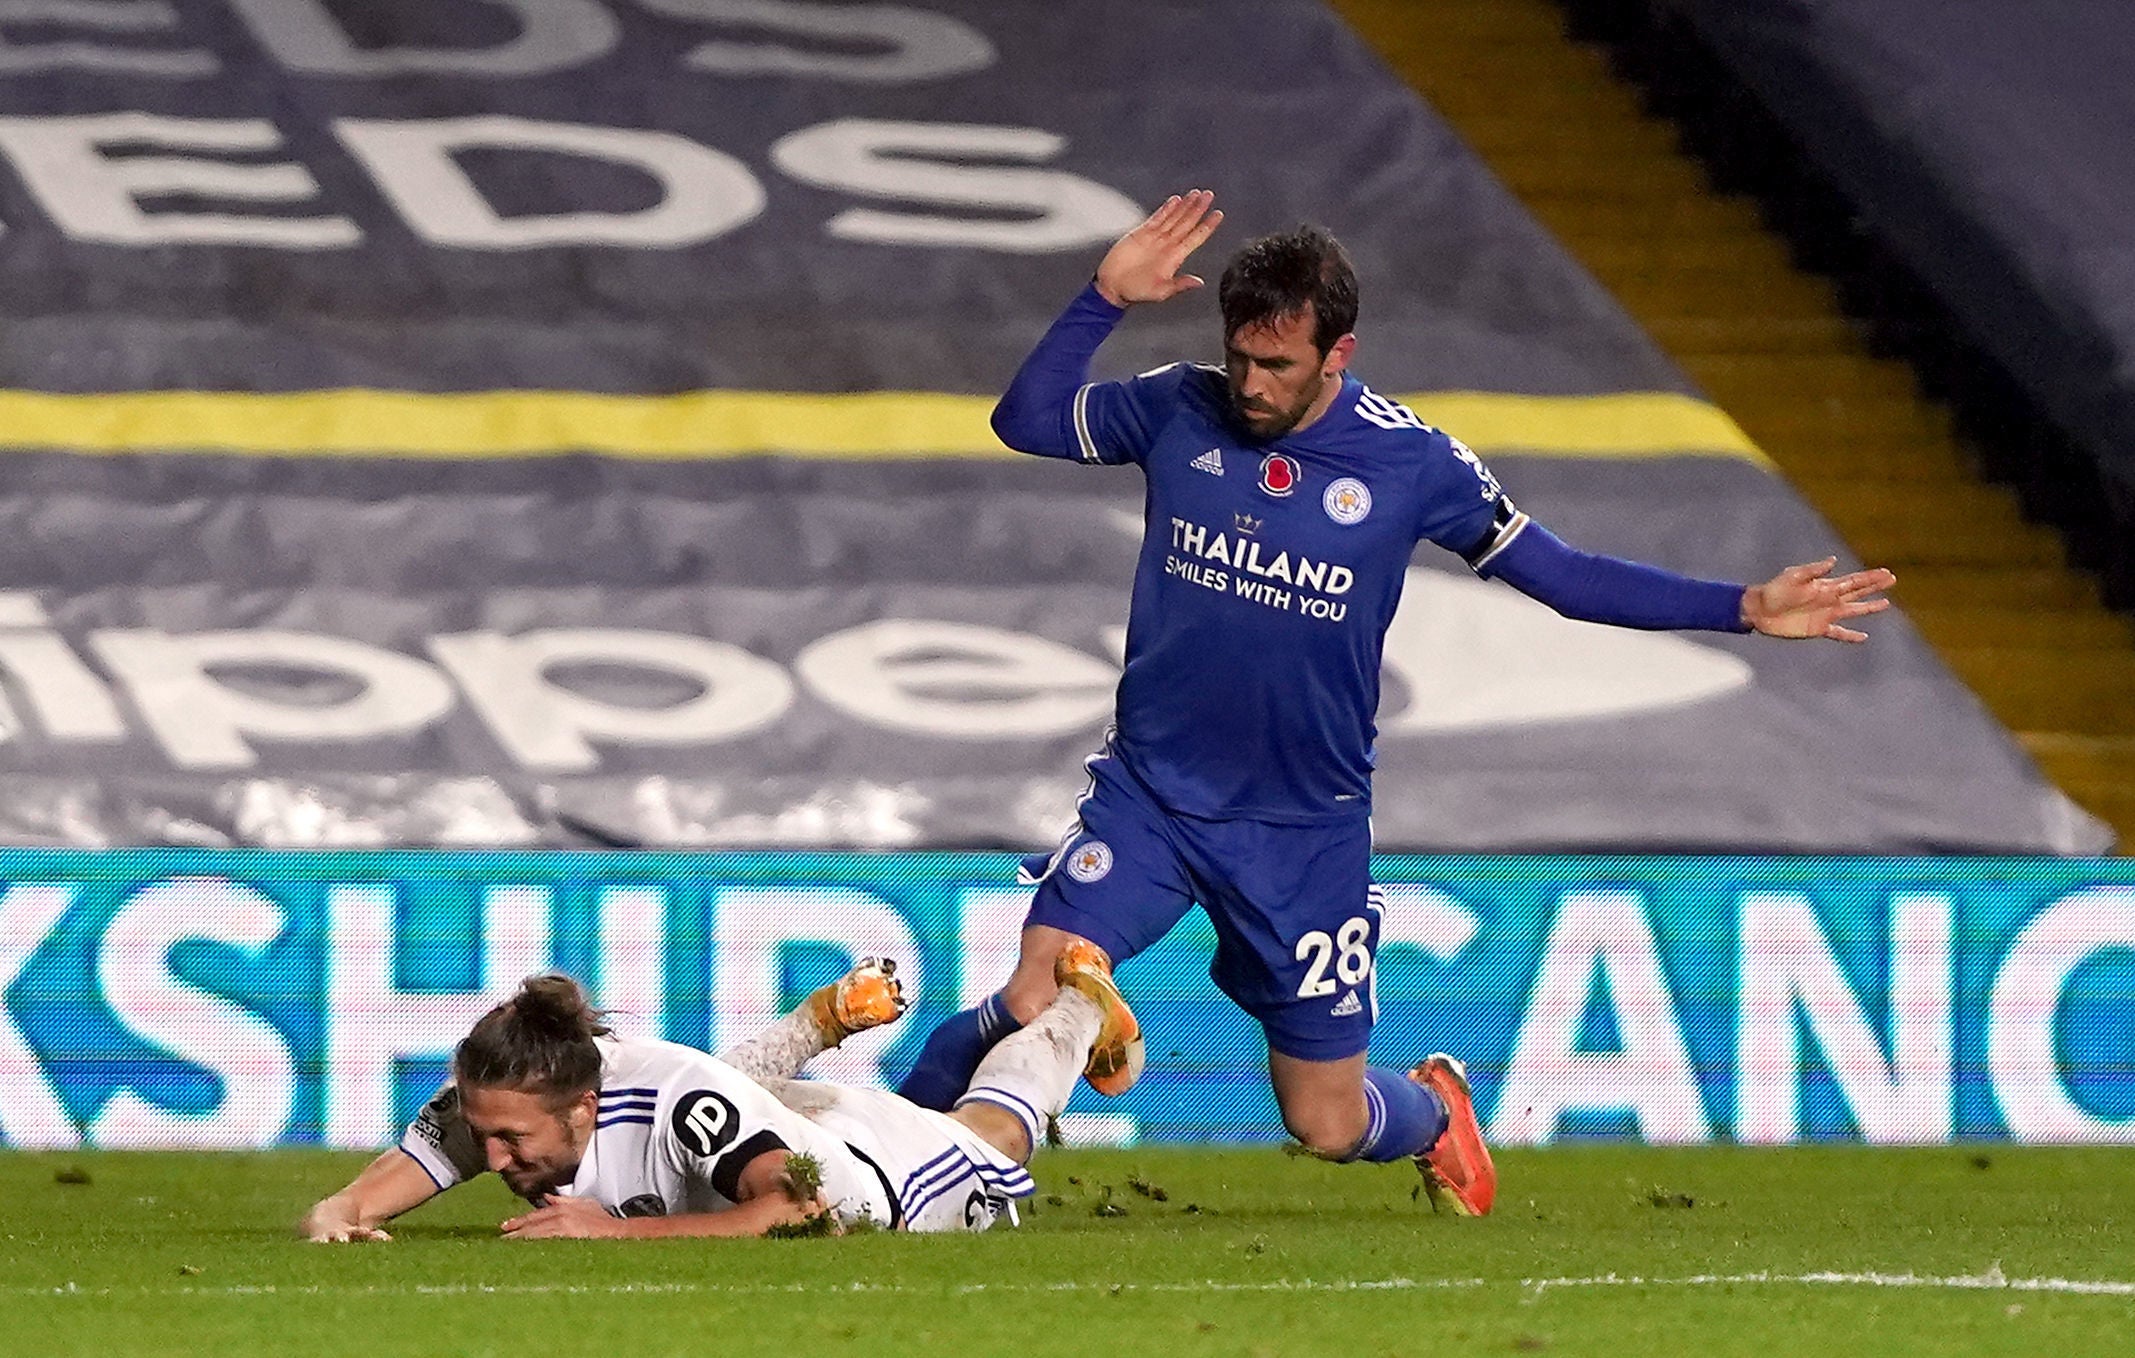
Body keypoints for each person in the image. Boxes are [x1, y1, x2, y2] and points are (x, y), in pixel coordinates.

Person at [894, 189, 1898, 1216]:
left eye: (1275, 365)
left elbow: (1561, 575)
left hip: (1301, 832)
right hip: (1150, 795)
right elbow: (1022, 420)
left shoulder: (1413, 462)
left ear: (1338, 352)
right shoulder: (1172, 405)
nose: (1248, 383)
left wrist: (1737, 606)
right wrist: (1103, 296)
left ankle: (1428, 1111)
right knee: (1035, 992)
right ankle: (879, 1172)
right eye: (1238, 357)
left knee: (1324, 1120)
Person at [299, 947, 1138, 1240]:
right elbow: (371, 1192)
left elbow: (795, 1211)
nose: (490, 1157)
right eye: (485, 1137)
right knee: (706, 1109)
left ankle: (1076, 1010)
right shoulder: (508, 1093)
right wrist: (338, 1212)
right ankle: (814, 1025)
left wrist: (615, 1233)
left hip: (870, 1178)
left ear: (583, 1107)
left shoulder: (668, 1090)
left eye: (512, 1142)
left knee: (987, 1133)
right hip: (761, 1108)